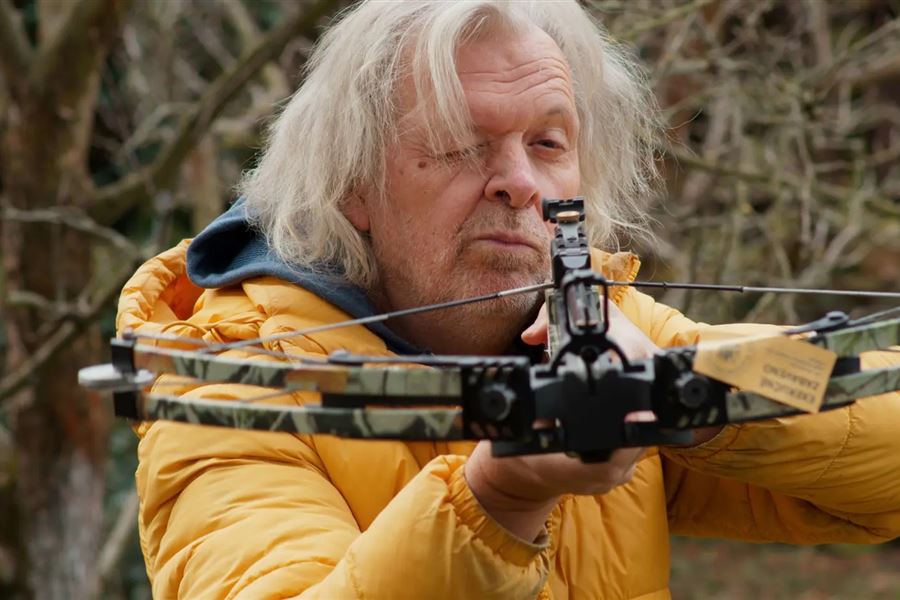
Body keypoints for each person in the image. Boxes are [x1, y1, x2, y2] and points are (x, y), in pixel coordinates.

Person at [117, 1, 900, 598]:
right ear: (352, 184)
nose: (520, 182)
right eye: (462, 143)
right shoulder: (234, 381)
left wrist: (695, 398)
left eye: (548, 144)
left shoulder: (602, 332)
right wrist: (499, 495)